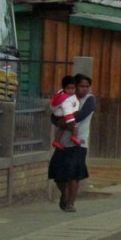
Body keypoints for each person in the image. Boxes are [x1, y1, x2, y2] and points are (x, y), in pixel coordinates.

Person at [48, 74, 95, 213]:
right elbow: (53, 115)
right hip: (63, 142)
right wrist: (59, 121)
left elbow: (82, 115)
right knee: (57, 172)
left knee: (74, 174)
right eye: (81, 86)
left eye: (87, 86)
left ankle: (70, 203)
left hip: (79, 142)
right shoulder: (65, 97)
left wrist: (65, 121)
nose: (84, 89)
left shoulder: (89, 100)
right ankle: (65, 193)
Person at [49, 76, 82, 150]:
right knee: (74, 125)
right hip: (64, 116)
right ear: (64, 88)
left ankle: (56, 141)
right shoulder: (66, 99)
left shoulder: (60, 95)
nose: (70, 90)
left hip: (59, 116)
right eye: (68, 88)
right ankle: (74, 136)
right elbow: (67, 110)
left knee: (61, 128)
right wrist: (71, 120)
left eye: (72, 88)